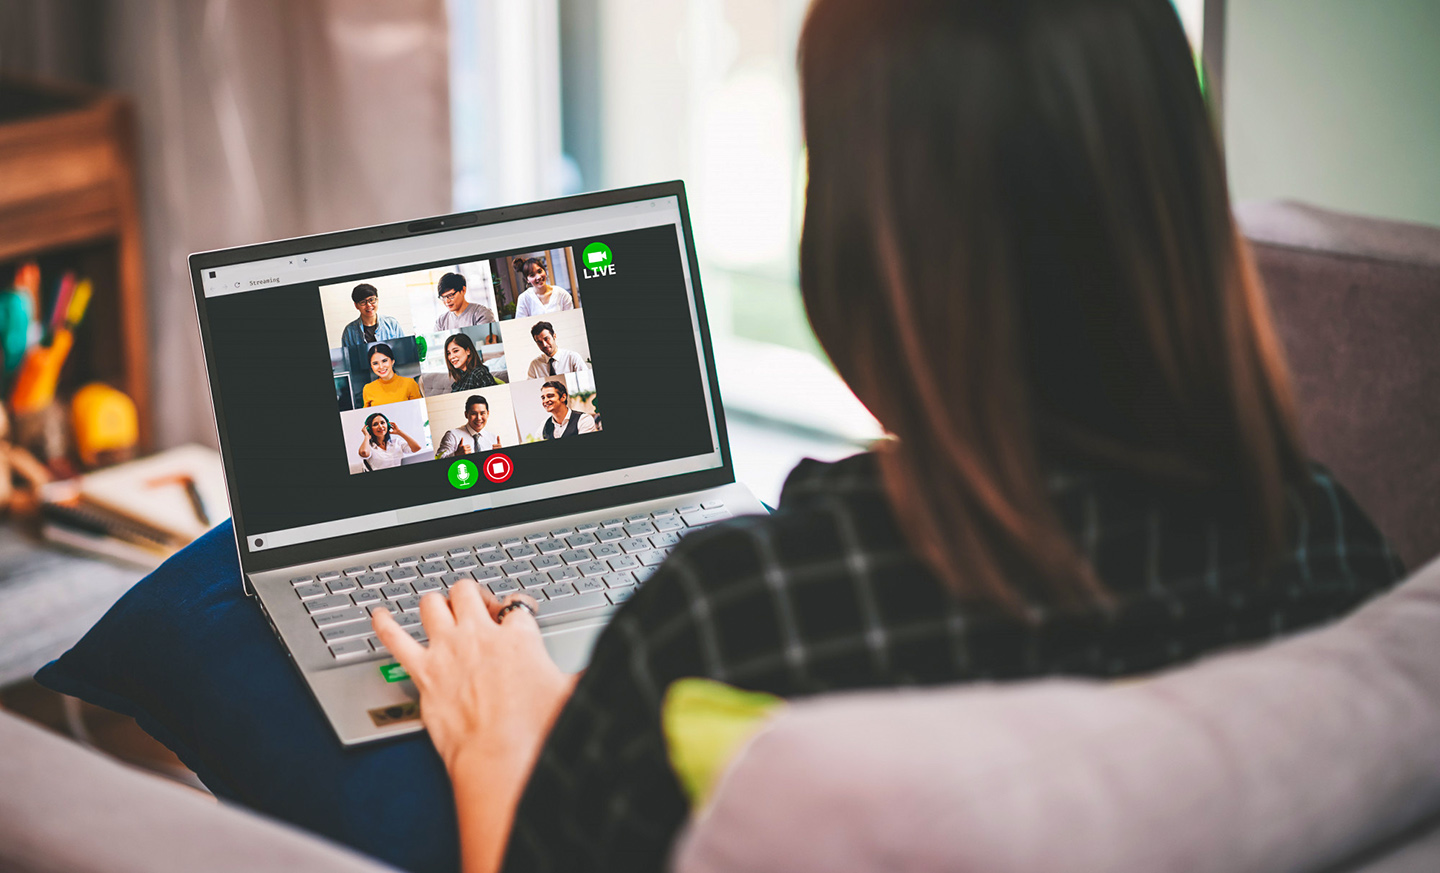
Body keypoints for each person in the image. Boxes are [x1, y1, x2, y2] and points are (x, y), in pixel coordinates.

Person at [368, 2, 1405, 872]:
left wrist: (497, 734)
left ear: (864, 235)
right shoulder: (1328, 543)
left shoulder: (739, 616)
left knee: (217, 621)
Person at [339, 283, 403, 348]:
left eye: (371, 300)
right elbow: (348, 356)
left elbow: (403, 349)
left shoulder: (392, 324)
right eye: (363, 302)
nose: (369, 305)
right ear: (356, 305)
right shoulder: (349, 331)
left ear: (377, 300)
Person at [437, 394, 502, 457]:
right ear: (466, 414)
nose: (479, 418)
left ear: (488, 414)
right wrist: (455, 455)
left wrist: (500, 455)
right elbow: (438, 458)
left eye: (482, 413)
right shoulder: (452, 435)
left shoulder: (493, 439)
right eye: (473, 413)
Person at [360, 343, 422, 407]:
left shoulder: (410, 383)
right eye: (375, 363)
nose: (381, 367)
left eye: (384, 361)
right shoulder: (368, 389)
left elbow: (419, 410)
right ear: (371, 366)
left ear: (392, 361)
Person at [355, 411, 420, 471]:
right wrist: (366, 436)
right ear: (369, 429)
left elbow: (417, 448)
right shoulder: (369, 447)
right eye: (375, 424)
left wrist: (399, 432)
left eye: (382, 423)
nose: (380, 426)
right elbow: (364, 453)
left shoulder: (397, 443)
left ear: (388, 425)